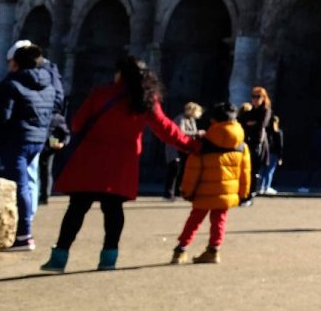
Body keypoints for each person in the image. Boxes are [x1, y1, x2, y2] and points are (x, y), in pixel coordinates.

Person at [40, 57, 198, 272]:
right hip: (122, 162)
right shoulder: (146, 99)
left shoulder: (101, 93)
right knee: (113, 210)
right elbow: (165, 128)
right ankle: (108, 258)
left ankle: (59, 256)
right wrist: (191, 145)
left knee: (76, 209)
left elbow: (77, 124)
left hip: (91, 158)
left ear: (120, 74)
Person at [0, 42, 62, 251]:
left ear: (16, 63)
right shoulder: (48, 83)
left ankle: (24, 235)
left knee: (19, 186)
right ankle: (20, 229)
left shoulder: (13, 83)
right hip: (37, 139)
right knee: (26, 183)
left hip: (16, 139)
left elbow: (2, 115)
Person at [173, 101, 251, 265]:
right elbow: (245, 172)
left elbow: (192, 170)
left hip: (204, 190)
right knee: (219, 220)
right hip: (228, 191)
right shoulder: (241, 145)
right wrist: (243, 193)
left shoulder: (204, 144)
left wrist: (186, 191)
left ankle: (180, 250)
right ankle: (213, 250)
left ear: (214, 120)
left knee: (194, 220)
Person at [239, 88, 274, 200]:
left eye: (258, 97)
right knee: (245, 170)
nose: (254, 99)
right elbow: (242, 123)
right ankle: (244, 193)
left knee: (254, 170)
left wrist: (251, 123)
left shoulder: (265, 111)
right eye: (253, 96)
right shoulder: (249, 113)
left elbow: (261, 125)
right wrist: (251, 123)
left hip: (258, 144)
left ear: (263, 98)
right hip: (247, 143)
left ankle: (250, 194)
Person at [166, 103, 203, 201]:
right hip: (175, 148)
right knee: (174, 170)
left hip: (185, 149)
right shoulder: (181, 119)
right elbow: (180, 132)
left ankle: (178, 191)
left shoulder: (191, 120)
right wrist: (196, 133)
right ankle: (169, 192)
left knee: (182, 170)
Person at [263, 115, 284, 195]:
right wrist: (280, 157)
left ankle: (261, 186)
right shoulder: (278, 132)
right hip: (274, 153)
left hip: (267, 153)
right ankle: (267, 187)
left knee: (264, 170)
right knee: (270, 171)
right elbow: (280, 146)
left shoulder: (267, 131)